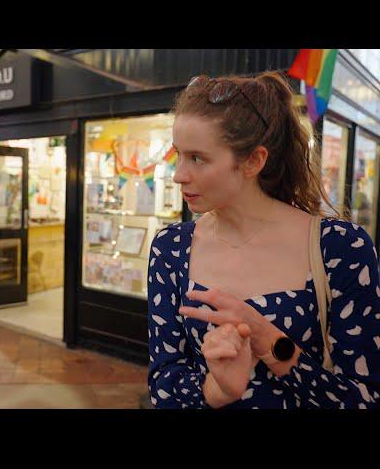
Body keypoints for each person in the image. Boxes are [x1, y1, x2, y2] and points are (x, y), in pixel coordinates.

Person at [148, 72, 380, 409]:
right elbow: (163, 384)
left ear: (254, 161)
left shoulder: (340, 247)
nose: (179, 175)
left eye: (197, 158)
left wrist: (268, 340)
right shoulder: (171, 248)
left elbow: (364, 397)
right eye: (178, 155)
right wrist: (218, 388)